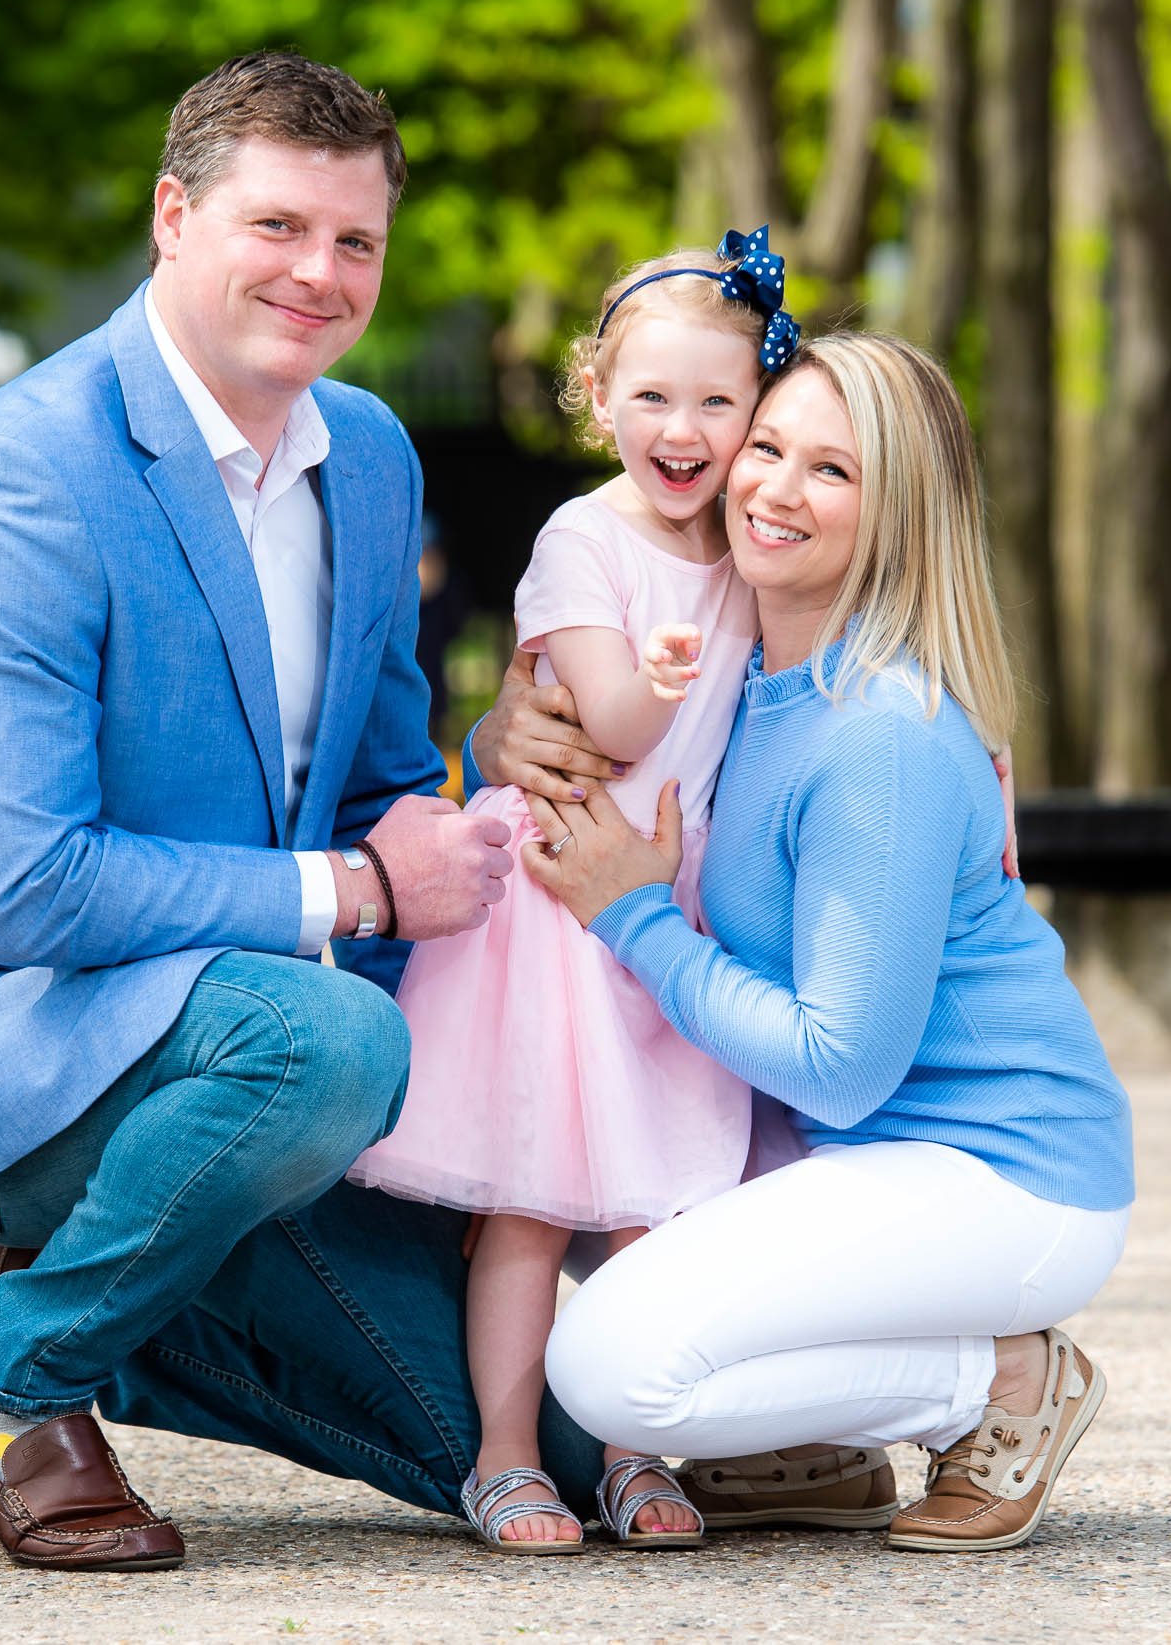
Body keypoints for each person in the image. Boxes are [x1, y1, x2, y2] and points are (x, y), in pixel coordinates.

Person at [0, 53, 576, 1573]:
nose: (319, 272)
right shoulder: (23, 474)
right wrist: (356, 892)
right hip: (10, 1035)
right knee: (330, 1040)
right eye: (278, 225)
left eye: (356, 241)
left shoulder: (371, 455)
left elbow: (380, 782)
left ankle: (143, 1292)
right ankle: (21, 1374)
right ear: (173, 215)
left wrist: (484, 841)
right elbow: (27, 890)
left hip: (248, 1052)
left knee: (564, 1446)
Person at [503, 332, 1136, 1554]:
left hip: (996, 1169)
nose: (776, 490)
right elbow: (599, 725)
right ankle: (811, 1447)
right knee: (554, 1166)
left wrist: (630, 917)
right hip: (850, 1153)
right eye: (769, 447)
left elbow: (840, 1063)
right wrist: (504, 731)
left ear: (896, 512)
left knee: (614, 1370)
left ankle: (1000, 1379)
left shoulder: (878, 739)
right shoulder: (745, 682)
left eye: (832, 471)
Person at [346, 235, 796, 1552]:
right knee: (537, 1205)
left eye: (719, 401)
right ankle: (501, 1455)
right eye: (652, 395)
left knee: (656, 1211)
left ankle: (635, 1448)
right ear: (598, 396)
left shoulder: (753, 545)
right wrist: (656, 671)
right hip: (562, 907)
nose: (684, 427)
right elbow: (608, 715)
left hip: (670, 899)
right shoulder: (581, 540)